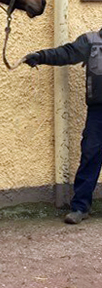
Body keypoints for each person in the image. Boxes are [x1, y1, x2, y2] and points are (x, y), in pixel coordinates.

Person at [25, 28, 102, 224]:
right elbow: (67, 53)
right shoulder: (91, 41)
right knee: (90, 155)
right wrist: (41, 56)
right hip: (98, 112)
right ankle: (80, 207)